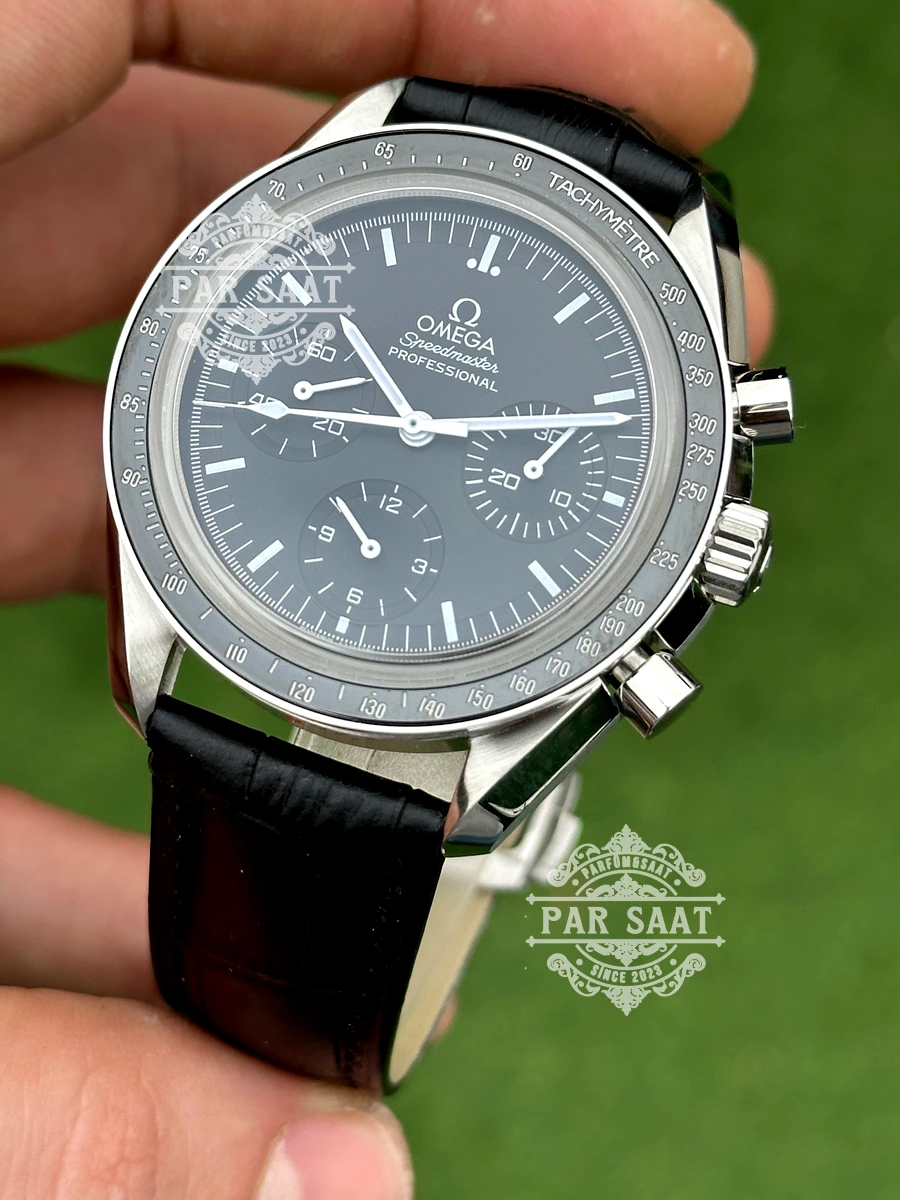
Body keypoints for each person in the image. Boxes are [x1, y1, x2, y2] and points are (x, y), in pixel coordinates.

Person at [0, 0, 773, 1195]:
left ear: (713, 537)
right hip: (258, 605)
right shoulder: (362, 149)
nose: (418, 428)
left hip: (454, 694)